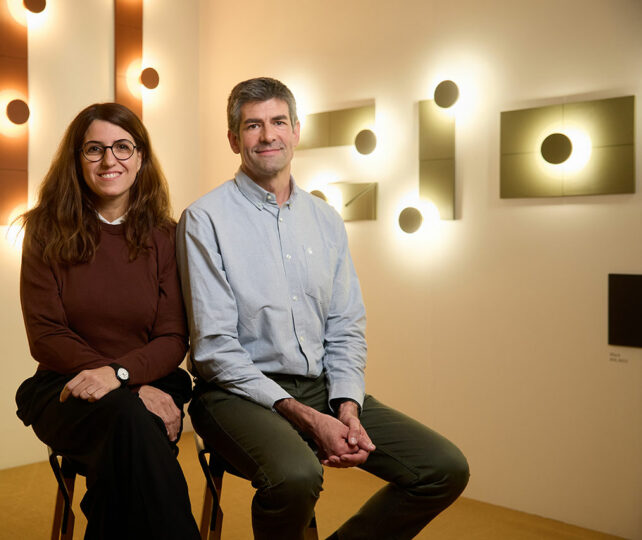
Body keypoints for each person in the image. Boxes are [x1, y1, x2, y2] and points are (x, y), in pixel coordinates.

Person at [177, 77, 470, 540]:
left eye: (278, 121)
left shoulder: (325, 219)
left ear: (296, 130)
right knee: (296, 476)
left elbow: (345, 326)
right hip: (233, 396)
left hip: (321, 386)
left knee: (444, 468)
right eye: (253, 125)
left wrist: (347, 407)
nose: (268, 135)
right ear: (234, 139)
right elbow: (214, 349)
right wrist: (309, 418)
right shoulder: (204, 219)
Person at [14, 102, 200, 539]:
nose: (109, 160)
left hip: (148, 380)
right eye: (94, 149)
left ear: (140, 158)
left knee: (122, 453)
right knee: (131, 423)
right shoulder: (44, 229)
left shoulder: (166, 236)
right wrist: (124, 383)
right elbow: (45, 336)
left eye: (122, 146)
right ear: (76, 161)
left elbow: (173, 336)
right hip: (67, 386)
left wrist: (121, 376)